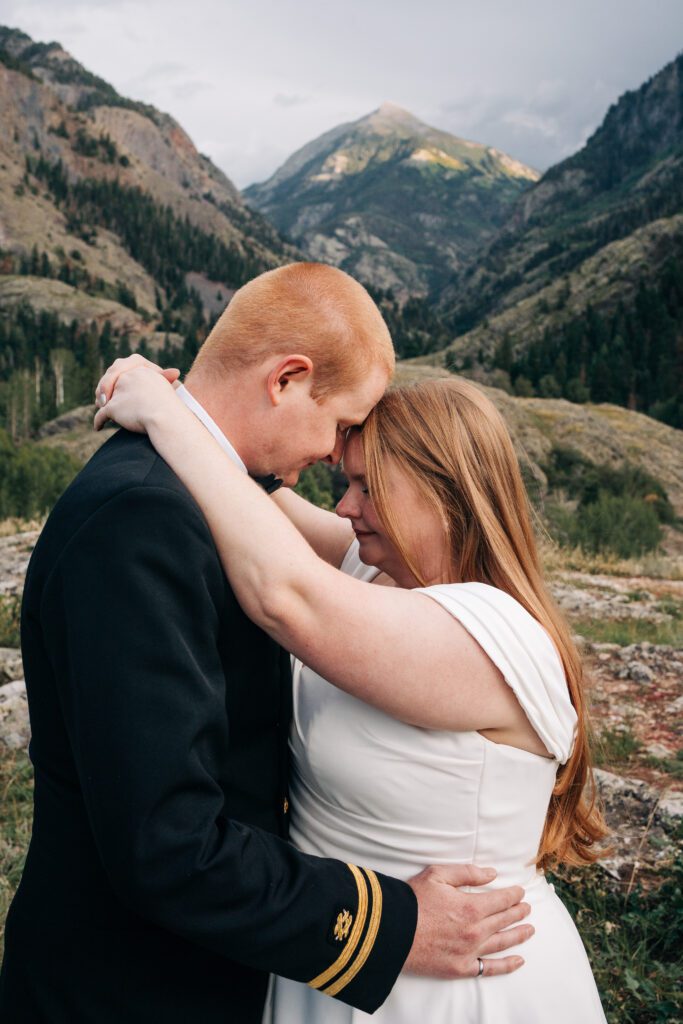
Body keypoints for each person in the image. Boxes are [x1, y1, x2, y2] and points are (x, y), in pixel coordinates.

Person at [0, 263, 532, 1024]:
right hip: (132, 989)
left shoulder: (202, 494)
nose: (335, 457)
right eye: (342, 425)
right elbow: (167, 843)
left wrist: (171, 410)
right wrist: (389, 924)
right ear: (286, 379)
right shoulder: (141, 519)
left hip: (210, 967)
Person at [90, 358, 609, 1024]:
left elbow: (285, 594)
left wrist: (163, 415)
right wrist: (198, 408)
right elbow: (257, 503)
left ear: (445, 493)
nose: (345, 507)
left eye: (368, 488)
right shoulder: (378, 568)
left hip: (452, 979)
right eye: (345, 483)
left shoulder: (493, 638)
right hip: (349, 954)